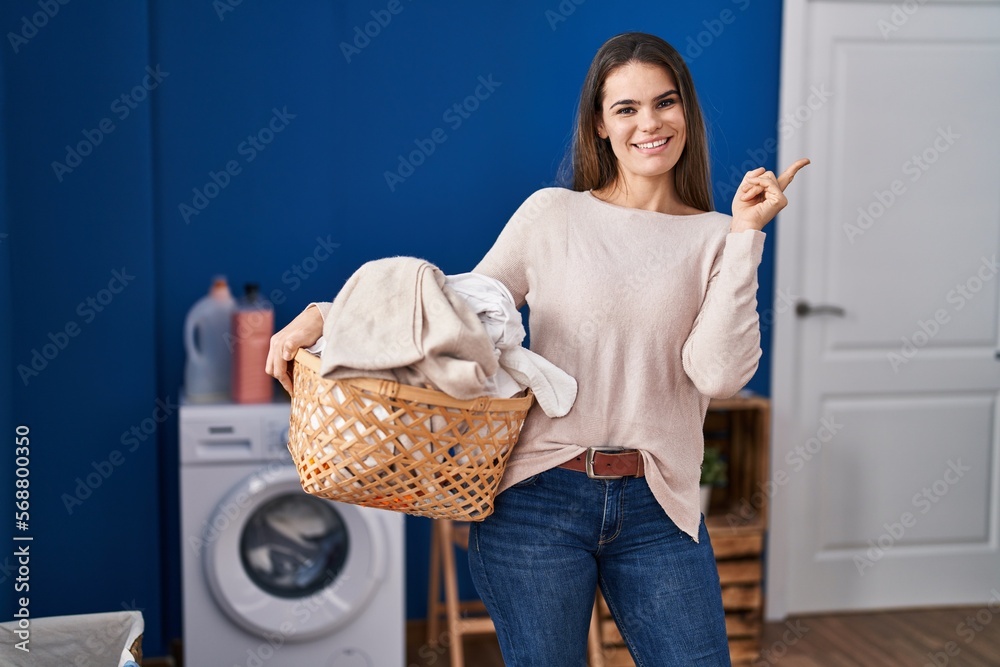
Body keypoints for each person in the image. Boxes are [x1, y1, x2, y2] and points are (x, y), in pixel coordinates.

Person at [267, 31, 807, 667]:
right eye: (626, 109)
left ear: (686, 110)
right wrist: (322, 318)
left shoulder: (719, 237)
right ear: (600, 126)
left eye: (665, 103)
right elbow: (455, 317)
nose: (650, 124)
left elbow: (716, 371)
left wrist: (747, 237)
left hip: (660, 506)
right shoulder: (553, 215)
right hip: (537, 498)